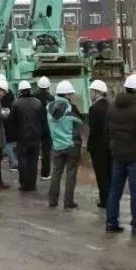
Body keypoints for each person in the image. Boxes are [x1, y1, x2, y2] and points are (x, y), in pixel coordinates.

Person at [106, 74, 136, 236]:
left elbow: (107, 131)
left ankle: (111, 222)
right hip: (135, 157)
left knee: (115, 190)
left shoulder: (112, 107)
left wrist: (113, 147)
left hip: (117, 155)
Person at [46, 81, 83, 209]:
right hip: (71, 145)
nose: (71, 96)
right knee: (71, 173)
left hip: (57, 145)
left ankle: (52, 200)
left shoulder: (49, 107)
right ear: (66, 95)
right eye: (70, 94)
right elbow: (80, 121)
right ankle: (68, 201)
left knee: (56, 173)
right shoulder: (70, 107)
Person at [11, 80, 44, 192]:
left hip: (22, 138)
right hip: (35, 138)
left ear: (20, 91)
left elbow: (12, 121)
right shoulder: (38, 103)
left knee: (23, 162)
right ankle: (32, 184)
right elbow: (42, 120)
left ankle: (24, 184)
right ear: (30, 90)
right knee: (33, 162)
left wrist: (14, 137)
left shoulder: (16, 104)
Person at [86, 80, 111, 208]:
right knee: (110, 174)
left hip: (98, 147)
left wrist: (89, 147)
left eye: (91, 91)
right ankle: (111, 199)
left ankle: (104, 200)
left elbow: (93, 130)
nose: (90, 94)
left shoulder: (94, 109)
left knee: (101, 175)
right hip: (110, 146)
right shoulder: (110, 107)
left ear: (96, 92)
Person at [35, 77, 54, 180]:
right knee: (46, 152)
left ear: (38, 86)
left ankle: (32, 173)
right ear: (48, 87)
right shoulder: (51, 98)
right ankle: (45, 174)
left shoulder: (33, 97)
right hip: (47, 128)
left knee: (33, 151)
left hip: (35, 127)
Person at [2, 85, 19, 172]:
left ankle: (13, 163)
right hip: (14, 124)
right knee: (13, 144)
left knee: (8, 144)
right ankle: (15, 162)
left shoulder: (0, 99)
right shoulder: (12, 98)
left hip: (6, 125)